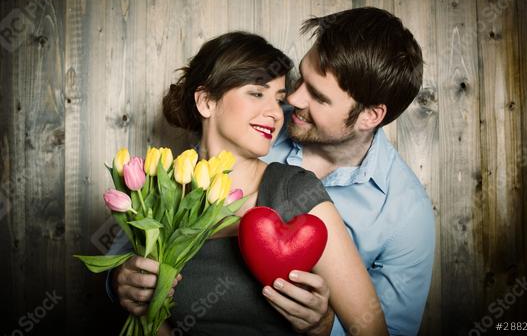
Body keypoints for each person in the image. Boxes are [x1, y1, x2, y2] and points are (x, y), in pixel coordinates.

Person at [107, 31, 388, 335]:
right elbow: (152, 318)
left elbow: (372, 329)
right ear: (206, 102)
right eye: (257, 93)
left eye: (279, 100)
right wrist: (123, 284)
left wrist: (321, 327)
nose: (274, 113)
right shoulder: (161, 195)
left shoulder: (294, 192)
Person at [261, 7, 436, 336]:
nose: (293, 97)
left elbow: (392, 331)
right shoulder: (259, 124)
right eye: (302, 78)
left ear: (370, 116)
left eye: (318, 96)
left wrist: (328, 327)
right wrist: (130, 266)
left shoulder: (407, 216)